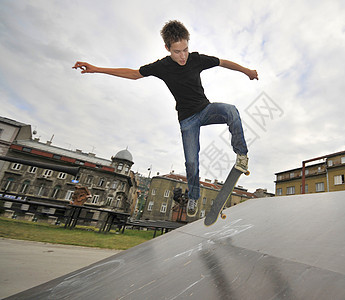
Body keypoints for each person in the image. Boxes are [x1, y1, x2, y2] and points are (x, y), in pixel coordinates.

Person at [73, 20, 258, 217]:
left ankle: (241, 155)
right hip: (187, 120)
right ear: (167, 48)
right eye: (177, 52)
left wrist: (247, 71)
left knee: (231, 111)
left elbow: (223, 62)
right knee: (191, 162)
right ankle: (194, 197)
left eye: (186, 49)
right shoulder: (162, 66)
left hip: (205, 110)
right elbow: (134, 74)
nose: (183, 56)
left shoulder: (196, 59)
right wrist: (96, 68)